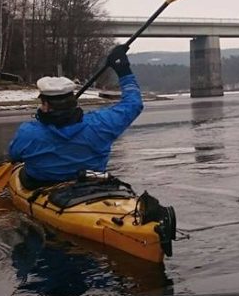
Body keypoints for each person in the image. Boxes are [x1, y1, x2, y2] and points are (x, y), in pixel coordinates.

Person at [8, 44, 143, 189]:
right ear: (73, 102)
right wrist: (123, 69)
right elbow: (134, 104)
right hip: (91, 186)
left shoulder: (28, 132)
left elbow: (15, 156)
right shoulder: (101, 124)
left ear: (46, 105)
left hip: (41, 187)